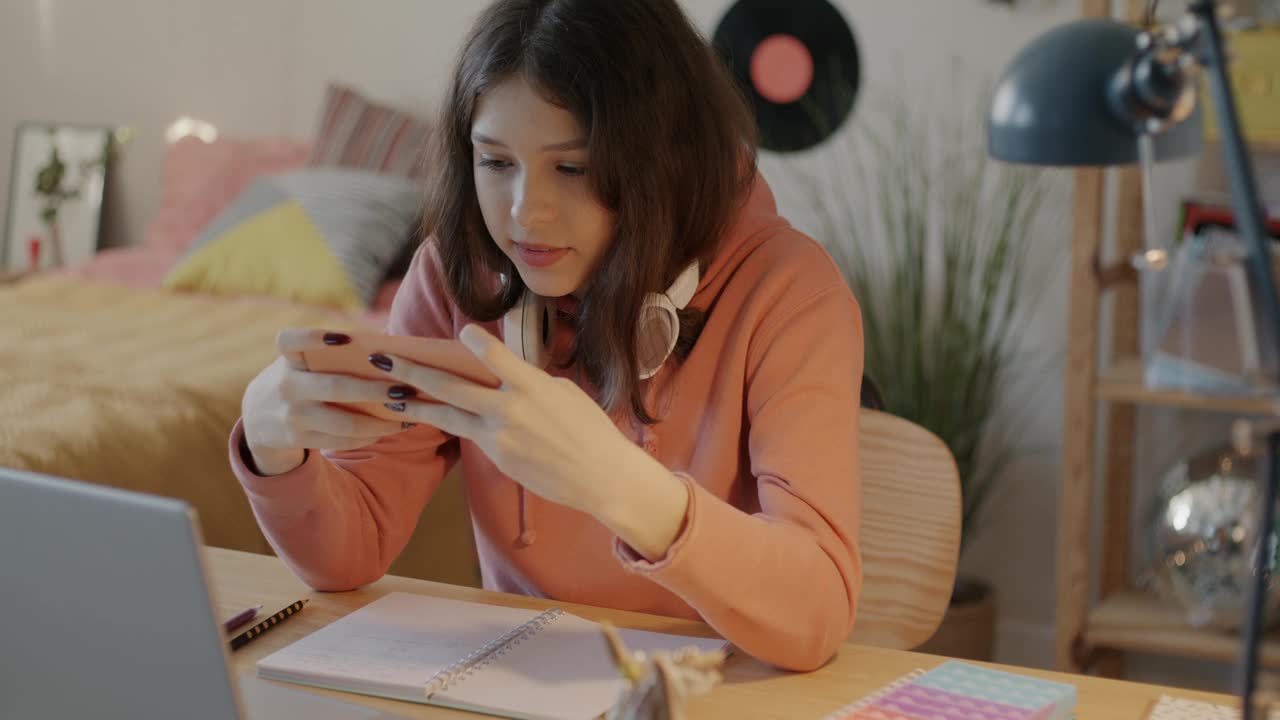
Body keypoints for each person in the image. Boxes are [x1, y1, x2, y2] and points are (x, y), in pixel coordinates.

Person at [232, 0, 864, 672]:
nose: (524, 214)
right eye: (495, 162)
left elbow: (817, 613)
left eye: (573, 169)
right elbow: (346, 552)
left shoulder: (792, 292)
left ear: (665, 157)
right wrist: (272, 448)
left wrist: (618, 484)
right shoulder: (455, 278)